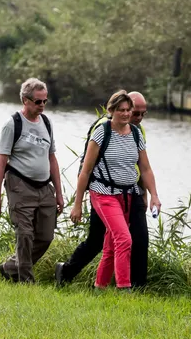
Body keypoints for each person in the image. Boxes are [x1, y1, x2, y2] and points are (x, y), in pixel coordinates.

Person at [56, 91, 150, 287]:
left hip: (131, 193)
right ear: (114, 110)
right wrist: (79, 202)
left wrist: (146, 194)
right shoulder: (102, 129)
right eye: (135, 113)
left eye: (141, 113)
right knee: (98, 240)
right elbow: (86, 167)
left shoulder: (136, 131)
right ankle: (66, 272)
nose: (138, 118)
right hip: (103, 191)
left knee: (139, 237)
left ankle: (137, 286)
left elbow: (141, 166)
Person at [0, 78, 64, 284]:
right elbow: (1, 163)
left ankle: (11, 267)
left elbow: (52, 158)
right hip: (19, 185)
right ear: (25, 100)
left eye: (44, 101)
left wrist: (59, 192)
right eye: (37, 101)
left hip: (44, 187)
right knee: (25, 235)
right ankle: (26, 282)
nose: (42, 105)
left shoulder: (46, 123)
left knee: (46, 236)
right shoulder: (12, 124)